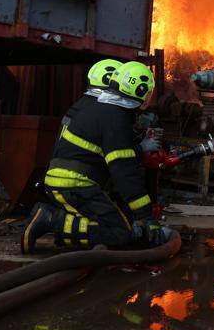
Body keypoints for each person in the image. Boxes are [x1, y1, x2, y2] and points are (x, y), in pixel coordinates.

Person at [21, 60, 171, 253]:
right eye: (149, 92)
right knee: (120, 233)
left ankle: (62, 231)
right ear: (142, 92)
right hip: (75, 185)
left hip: (66, 182)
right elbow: (124, 175)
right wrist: (148, 218)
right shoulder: (116, 118)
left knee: (120, 223)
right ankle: (50, 219)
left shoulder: (101, 109)